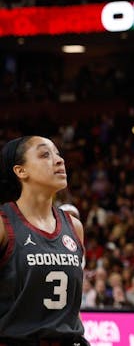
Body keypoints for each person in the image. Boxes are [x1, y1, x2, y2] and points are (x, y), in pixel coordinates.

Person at [0, 136, 88, 346]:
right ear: (21, 171)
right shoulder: (4, 224)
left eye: (58, 154)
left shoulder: (74, 226)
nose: (59, 160)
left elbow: (71, 307)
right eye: (45, 154)